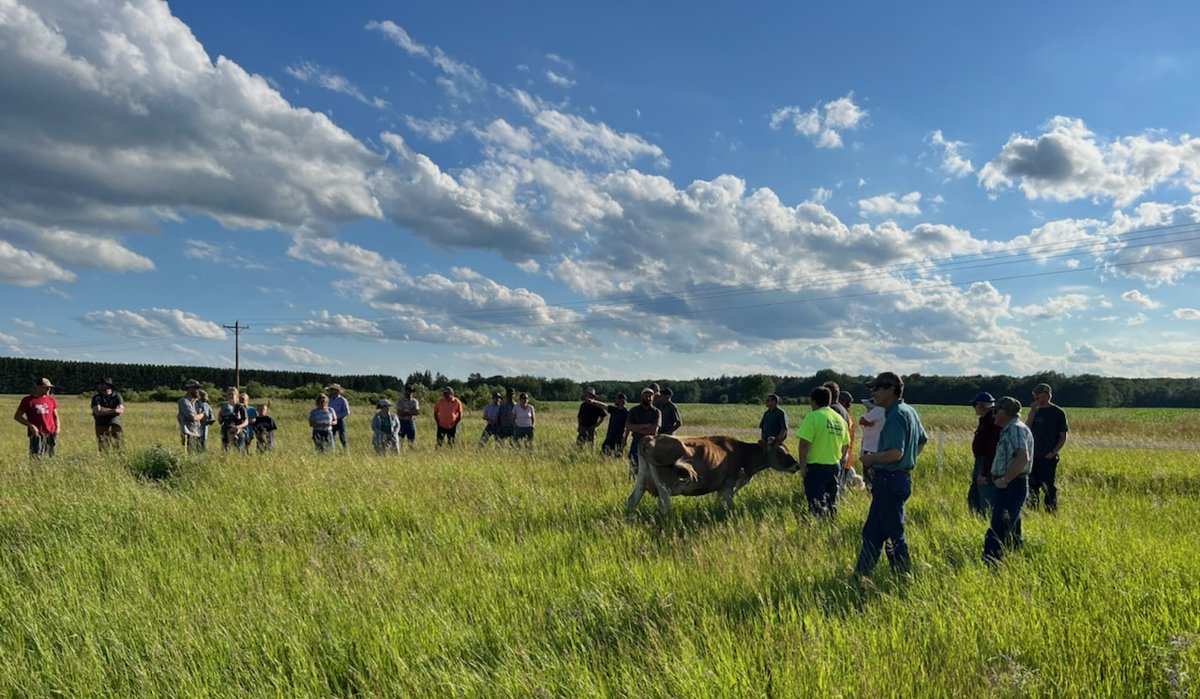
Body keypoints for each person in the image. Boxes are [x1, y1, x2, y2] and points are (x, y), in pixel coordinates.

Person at [855, 372, 928, 578]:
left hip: (889, 480)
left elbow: (896, 453)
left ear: (890, 390)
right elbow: (923, 439)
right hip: (897, 479)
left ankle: (904, 576)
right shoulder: (909, 411)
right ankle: (861, 575)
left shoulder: (894, 415)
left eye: (876, 388)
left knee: (894, 533)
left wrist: (871, 459)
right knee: (872, 532)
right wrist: (908, 462)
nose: (873, 393)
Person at [984, 397, 1035, 564]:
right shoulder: (1012, 429)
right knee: (1011, 525)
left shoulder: (1015, 430)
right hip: (1011, 484)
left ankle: (993, 562)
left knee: (1000, 525)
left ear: (1005, 412)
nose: (993, 416)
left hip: (1011, 485)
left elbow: (1022, 457)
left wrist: (1005, 479)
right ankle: (1013, 561)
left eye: (996, 411)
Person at [797, 387, 850, 519]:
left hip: (816, 467)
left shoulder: (813, 417)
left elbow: (804, 444)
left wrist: (802, 466)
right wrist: (839, 459)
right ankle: (831, 525)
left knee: (817, 503)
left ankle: (819, 525)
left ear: (813, 402)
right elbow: (846, 445)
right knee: (832, 501)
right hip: (834, 467)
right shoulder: (840, 419)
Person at [1026, 383, 1069, 513]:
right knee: (1032, 486)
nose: (1036, 396)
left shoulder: (1058, 412)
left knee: (1048, 487)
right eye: (1035, 393)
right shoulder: (1035, 411)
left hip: (1048, 457)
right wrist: (1033, 412)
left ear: (1048, 395)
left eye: (1039, 393)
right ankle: (1032, 512)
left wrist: (1053, 452)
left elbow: (1063, 436)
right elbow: (1026, 429)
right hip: (1033, 456)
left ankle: (1050, 512)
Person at [968, 392, 1001, 517]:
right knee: (975, 495)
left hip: (986, 463)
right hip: (981, 462)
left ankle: (984, 520)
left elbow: (991, 449)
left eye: (975, 405)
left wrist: (985, 472)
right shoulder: (985, 420)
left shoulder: (992, 422)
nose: (974, 408)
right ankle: (978, 519)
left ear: (981, 405)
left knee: (985, 496)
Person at [14, 378, 60, 458]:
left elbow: (55, 416)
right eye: (46, 387)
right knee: (36, 457)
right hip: (37, 433)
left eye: (50, 387)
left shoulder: (51, 400)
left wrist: (57, 428)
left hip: (51, 433)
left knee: (51, 456)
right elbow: (17, 416)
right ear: (38, 387)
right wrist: (31, 426)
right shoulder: (28, 400)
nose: (48, 389)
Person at [625, 388, 661, 476]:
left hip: (650, 443)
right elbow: (628, 426)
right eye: (646, 396)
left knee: (651, 468)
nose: (648, 398)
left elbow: (653, 430)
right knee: (634, 466)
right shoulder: (634, 410)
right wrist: (646, 425)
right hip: (636, 442)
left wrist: (636, 428)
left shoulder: (657, 412)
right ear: (642, 397)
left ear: (653, 398)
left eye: (650, 396)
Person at [858, 398, 887, 489]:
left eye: (868, 408)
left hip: (871, 450)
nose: (867, 410)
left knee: (869, 479)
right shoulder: (884, 412)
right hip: (878, 449)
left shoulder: (877, 411)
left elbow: (862, 420)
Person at [91, 377, 125, 452]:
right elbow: (97, 411)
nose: (99, 386)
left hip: (115, 424)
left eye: (101, 384)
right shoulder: (96, 397)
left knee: (119, 445)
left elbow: (120, 410)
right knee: (103, 447)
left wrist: (104, 410)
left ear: (107, 386)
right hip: (101, 425)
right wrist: (113, 410)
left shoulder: (117, 396)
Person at [218, 387, 249, 452]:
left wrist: (238, 427)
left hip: (238, 433)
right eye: (229, 394)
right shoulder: (224, 407)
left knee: (239, 452)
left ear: (237, 396)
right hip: (226, 432)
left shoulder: (240, 407)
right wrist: (219, 415)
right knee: (225, 452)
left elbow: (246, 421)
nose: (230, 396)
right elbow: (220, 422)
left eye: (232, 394)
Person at [177, 379, 205, 453]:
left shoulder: (195, 402)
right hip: (189, 434)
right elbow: (193, 417)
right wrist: (203, 415)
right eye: (196, 388)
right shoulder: (184, 401)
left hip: (197, 433)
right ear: (189, 389)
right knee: (191, 456)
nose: (198, 390)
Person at [600, 393, 629, 458]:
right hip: (609, 437)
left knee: (617, 457)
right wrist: (593, 402)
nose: (615, 400)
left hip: (619, 439)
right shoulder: (614, 410)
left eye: (616, 399)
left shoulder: (627, 413)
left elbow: (628, 427)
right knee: (603, 455)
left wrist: (625, 439)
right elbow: (604, 406)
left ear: (621, 400)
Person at [326, 384, 351, 451]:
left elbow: (346, 412)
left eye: (334, 390)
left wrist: (337, 417)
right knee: (331, 436)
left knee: (342, 437)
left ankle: (346, 451)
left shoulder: (343, 400)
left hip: (340, 421)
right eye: (332, 390)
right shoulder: (329, 400)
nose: (333, 391)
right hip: (332, 421)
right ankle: (332, 451)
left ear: (338, 391)